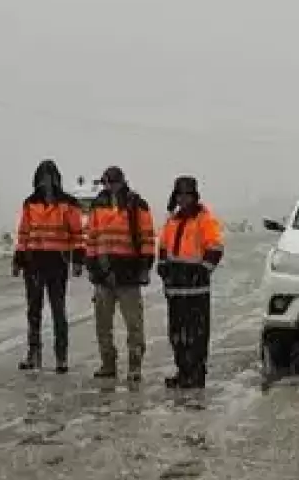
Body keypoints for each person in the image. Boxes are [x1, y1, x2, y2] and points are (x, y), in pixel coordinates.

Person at [12, 159, 84, 374]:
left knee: (58, 311)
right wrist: (18, 259)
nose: (46, 182)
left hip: (57, 263)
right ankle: (34, 354)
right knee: (33, 311)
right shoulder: (30, 203)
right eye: (43, 178)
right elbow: (23, 233)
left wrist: (77, 260)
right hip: (34, 263)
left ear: (56, 179)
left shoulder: (68, 204)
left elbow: (77, 234)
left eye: (50, 177)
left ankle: (61, 356)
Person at [86, 166, 154, 381]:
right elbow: (92, 238)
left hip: (129, 274)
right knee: (102, 325)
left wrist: (145, 267)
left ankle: (135, 366)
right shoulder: (97, 205)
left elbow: (147, 238)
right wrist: (92, 265)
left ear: (122, 181)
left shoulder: (136, 204)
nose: (111, 186)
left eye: (114, 182)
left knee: (134, 324)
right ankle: (108, 363)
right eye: (107, 182)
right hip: (103, 274)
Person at [157, 175, 224, 389]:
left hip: (196, 289)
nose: (183, 199)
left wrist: (203, 272)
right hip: (176, 288)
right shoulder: (172, 221)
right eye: (180, 195)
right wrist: (163, 268)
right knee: (177, 334)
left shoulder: (204, 219)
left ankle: (197, 373)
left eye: (187, 195)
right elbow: (163, 248)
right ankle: (183, 370)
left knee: (197, 334)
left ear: (194, 196)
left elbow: (215, 247)